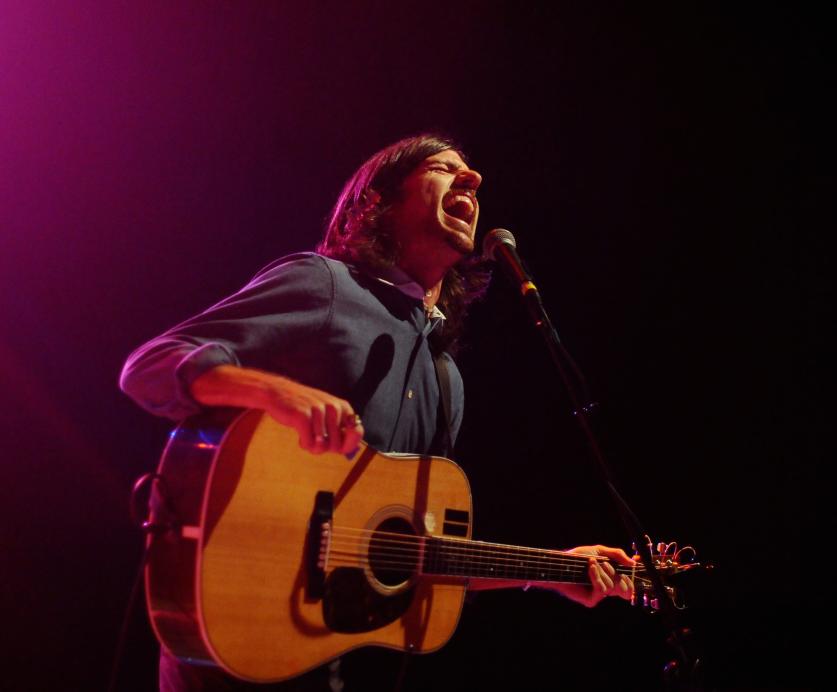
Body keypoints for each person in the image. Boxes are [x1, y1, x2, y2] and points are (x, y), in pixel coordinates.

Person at [120, 134, 636, 691]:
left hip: (323, 664)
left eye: (472, 174)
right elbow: (148, 367)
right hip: (228, 645)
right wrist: (273, 393)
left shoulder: (448, 384)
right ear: (380, 201)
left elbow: (414, 555)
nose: (474, 180)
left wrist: (556, 571)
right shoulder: (325, 285)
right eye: (444, 169)